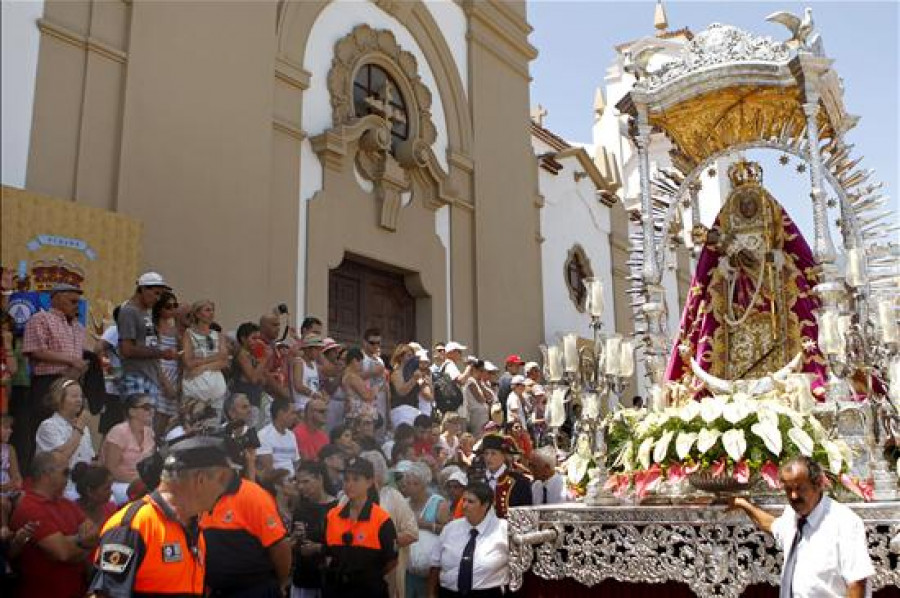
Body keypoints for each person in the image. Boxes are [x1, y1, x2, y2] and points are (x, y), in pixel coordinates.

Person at [87, 436, 233, 598]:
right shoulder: (134, 525)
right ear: (200, 480)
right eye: (221, 481)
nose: (224, 490)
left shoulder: (193, 527)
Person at [730, 455, 874, 598]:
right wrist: (743, 504)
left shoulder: (844, 522)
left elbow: (857, 582)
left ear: (818, 484)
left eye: (800, 489)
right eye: (788, 489)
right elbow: (773, 525)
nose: (793, 496)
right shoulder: (792, 515)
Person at [199, 441, 292, 597]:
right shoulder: (202, 495)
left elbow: (280, 547)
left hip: (254, 590)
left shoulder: (253, 495)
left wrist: (280, 583)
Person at [11, 452, 99, 598]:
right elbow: (62, 553)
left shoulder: (67, 504)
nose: (69, 477)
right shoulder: (30, 508)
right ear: (46, 475)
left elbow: (95, 534)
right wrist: (83, 543)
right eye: (65, 472)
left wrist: (74, 542)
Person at [20, 283, 87, 466]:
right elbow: (35, 351)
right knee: (44, 427)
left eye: (77, 301)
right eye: (72, 300)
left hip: (72, 382)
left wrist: (79, 367)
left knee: (69, 426)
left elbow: (79, 355)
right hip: (47, 383)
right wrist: (70, 361)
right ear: (56, 297)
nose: (76, 305)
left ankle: (68, 470)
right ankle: (39, 474)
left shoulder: (78, 327)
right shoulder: (41, 319)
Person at [322, 456, 398, 598]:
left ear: (369, 482)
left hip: (369, 590)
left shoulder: (381, 519)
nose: (349, 484)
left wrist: (369, 575)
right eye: (346, 479)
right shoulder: (332, 516)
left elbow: (392, 560)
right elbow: (328, 552)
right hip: (336, 589)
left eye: (356, 479)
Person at [427, 482, 509, 598]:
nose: (464, 505)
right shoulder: (451, 528)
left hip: (487, 593)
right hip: (449, 593)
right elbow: (435, 564)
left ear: (485, 505)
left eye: (471, 502)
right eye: (464, 500)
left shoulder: (502, 529)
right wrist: (431, 594)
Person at [118, 272, 178, 426]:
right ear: (143, 289)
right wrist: (162, 353)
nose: (158, 298)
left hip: (150, 376)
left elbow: (150, 345)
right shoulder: (129, 311)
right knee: (137, 426)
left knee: (146, 429)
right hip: (136, 376)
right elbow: (127, 349)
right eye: (156, 293)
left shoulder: (145, 313)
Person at [35, 377, 95, 498]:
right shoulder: (48, 426)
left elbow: (89, 458)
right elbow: (62, 458)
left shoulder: (83, 428)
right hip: (61, 487)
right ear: (59, 399)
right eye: (74, 396)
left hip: (83, 485)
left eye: (81, 396)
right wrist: (79, 428)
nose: (79, 400)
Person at [397, 460, 449, 597]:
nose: (410, 487)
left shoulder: (438, 503)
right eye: (407, 483)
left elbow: (448, 531)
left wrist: (427, 525)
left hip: (430, 574)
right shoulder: (404, 503)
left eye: (415, 483)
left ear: (425, 485)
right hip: (407, 571)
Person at [291, 461, 338, 598]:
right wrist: (295, 538)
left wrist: (319, 547)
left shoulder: (337, 507)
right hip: (304, 578)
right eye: (298, 482)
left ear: (320, 479)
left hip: (330, 578)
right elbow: (294, 546)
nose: (301, 487)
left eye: (306, 481)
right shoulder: (300, 508)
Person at [101, 393, 156, 504]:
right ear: (132, 412)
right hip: (119, 483)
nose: (151, 411)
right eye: (146, 407)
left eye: (152, 407)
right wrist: (137, 481)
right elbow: (111, 469)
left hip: (143, 484)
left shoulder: (150, 432)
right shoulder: (118, 432)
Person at [182, 299, 230, 412]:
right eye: (207, 310)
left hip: (216, 390)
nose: (211, 313)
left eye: (213, 310)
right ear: (198, 314)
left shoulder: (219, 335)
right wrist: (215, 358)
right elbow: (189, 362)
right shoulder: (188, 334)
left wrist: (202, 367)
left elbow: (224, 361)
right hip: (195, 389)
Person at [477, 434, 532, 518]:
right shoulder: (476, 480)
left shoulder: (520, 482)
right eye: (486, 453)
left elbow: (524, 516)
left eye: (493, 453)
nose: (488, 458)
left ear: (504, 456)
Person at [152, 291, 181, 432]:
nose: (173, 310)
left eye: (175, 306)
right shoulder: (154, 328)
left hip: (174, 375)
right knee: (156, 418)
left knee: (168, 421)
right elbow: (154, 358)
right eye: (168, 306)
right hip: (159, 375)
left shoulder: (175, 331)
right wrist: (165, 382)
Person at [233, 322, 268, 425]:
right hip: (246, 399)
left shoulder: (252, 356)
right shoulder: (242, 355)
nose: (257, 342)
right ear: (243, 339)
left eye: (258, 339)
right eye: (254, 338)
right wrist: (264, 359)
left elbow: (260, 378)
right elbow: (252, 378)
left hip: (255, 398)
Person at [222, 392, 261, 480]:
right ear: (232, 413)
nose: (249, 411)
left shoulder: (250, 431)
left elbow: (251, 462)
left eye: (249, 406)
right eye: (244, 407)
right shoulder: (222, 434)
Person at [258, 398, 300, 475]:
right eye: (292, 413)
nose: (295, 417)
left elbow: (296, 463)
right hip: (275, 482)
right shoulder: (263, 435)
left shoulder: (291, 435)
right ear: (281, 413)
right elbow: (268, 469)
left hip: (293, 482)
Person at [360, 329, 389, 434]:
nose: (375, 345)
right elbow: (352, 377)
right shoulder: (360, 358)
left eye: (378, 343)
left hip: (380, 403)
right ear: (364, 342)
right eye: (372, 343)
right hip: (365, 404)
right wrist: (372, 372)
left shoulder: (380, 360)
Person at [389, 344, 423, 429]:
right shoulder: (397, 373)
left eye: (413, 355)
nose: (412, 358)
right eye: (409, 356)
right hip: (401, 411)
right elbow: (401, 392)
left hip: (413, 410)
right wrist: (414, 379)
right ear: (400, 357)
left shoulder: (412, 373)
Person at [343, 346, 378, 425]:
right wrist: (375, 389)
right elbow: (366, 396)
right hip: (358, 416)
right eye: (361, 362)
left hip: (356, 414)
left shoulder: (348, 375)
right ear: (354, 361)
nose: (362, 365)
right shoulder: (352, 376)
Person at [293, 334, 325, 412]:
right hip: (302, 406)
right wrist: (313, 394)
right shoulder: (299, 362)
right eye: (316, 349)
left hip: (314, 406)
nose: (319, 352)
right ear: (307, 349)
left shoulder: (314, 364)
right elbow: (298, 385)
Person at [295, 397, 330, 461]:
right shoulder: (297, 433)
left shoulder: (324, 436)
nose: (326, 414)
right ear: (310, 413)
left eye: (326, 411)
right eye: (322, 411)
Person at [0, 413, 22, 496]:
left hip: (9, 490)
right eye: (6, 428)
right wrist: (3, 487)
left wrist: (17, 482)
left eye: (10, 428)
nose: (10, 431)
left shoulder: (10, 449)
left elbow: (16, 474)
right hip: (3, 489)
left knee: (23, 499)